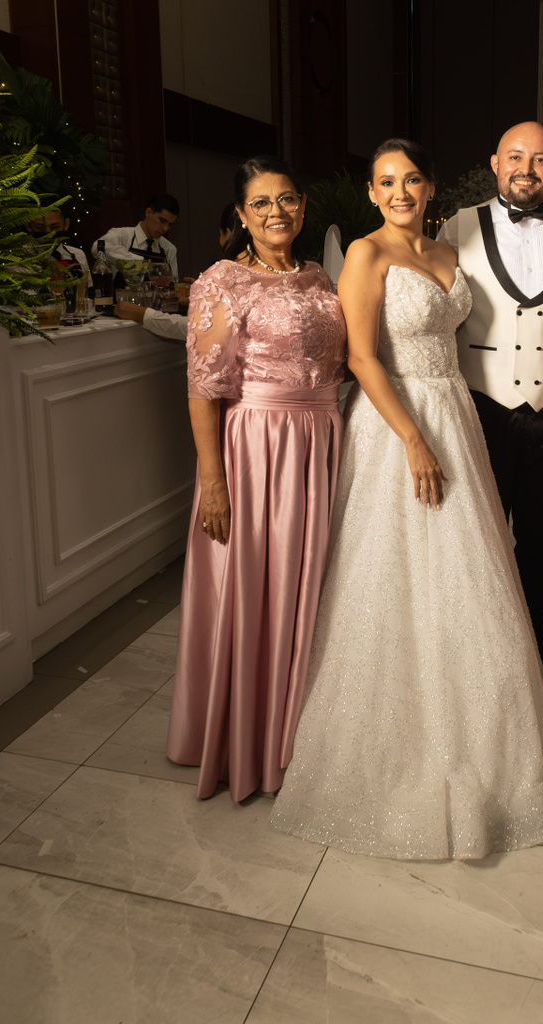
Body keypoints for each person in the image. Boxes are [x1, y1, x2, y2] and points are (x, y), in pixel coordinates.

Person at [271, 138, 543, 860]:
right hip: (397, 422)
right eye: (386, 181)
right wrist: (414, 440)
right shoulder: (366, 255)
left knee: (470, 568)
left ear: (430, 188)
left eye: (412, 179)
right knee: (394, 570)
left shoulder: (451, 252)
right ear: (371, 191)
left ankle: (486, 722)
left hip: (457, 412)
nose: (400, 192)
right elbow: (360, 357)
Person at [164, 160, 345, 801]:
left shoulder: (320, 276)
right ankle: (245, 738)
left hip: (322, 441)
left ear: (303, 205)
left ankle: (298, 731)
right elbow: (203, 388)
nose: (276, 212)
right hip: (256, 448)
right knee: (253, 586)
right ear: (241, 214)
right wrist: (213, 482)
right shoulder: (222, 280)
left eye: (287, 199)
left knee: (310, 585)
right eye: (261, 203)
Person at [433, 122, 543, 681]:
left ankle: (532, 650)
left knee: (538, 538)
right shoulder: (457, 226)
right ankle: (477, 655)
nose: (526, 169)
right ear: (495, 162)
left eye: (540, 159)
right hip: (480, 406)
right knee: (478, 536)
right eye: (515, 157)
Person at [120, 201, 241, 341]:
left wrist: (142, 314)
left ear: (227, 234)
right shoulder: (121, 235)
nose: (164, 228)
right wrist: (203, 298)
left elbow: (202, 328)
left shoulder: (228, 272)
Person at [97, 192, 180, 272]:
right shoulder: (122, 235)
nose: (165, 228)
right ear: (148, 212)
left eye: (170, 225)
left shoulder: (169, 249)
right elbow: (97, 248)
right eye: (162, 221)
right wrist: (135, 261)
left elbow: (173, 280)